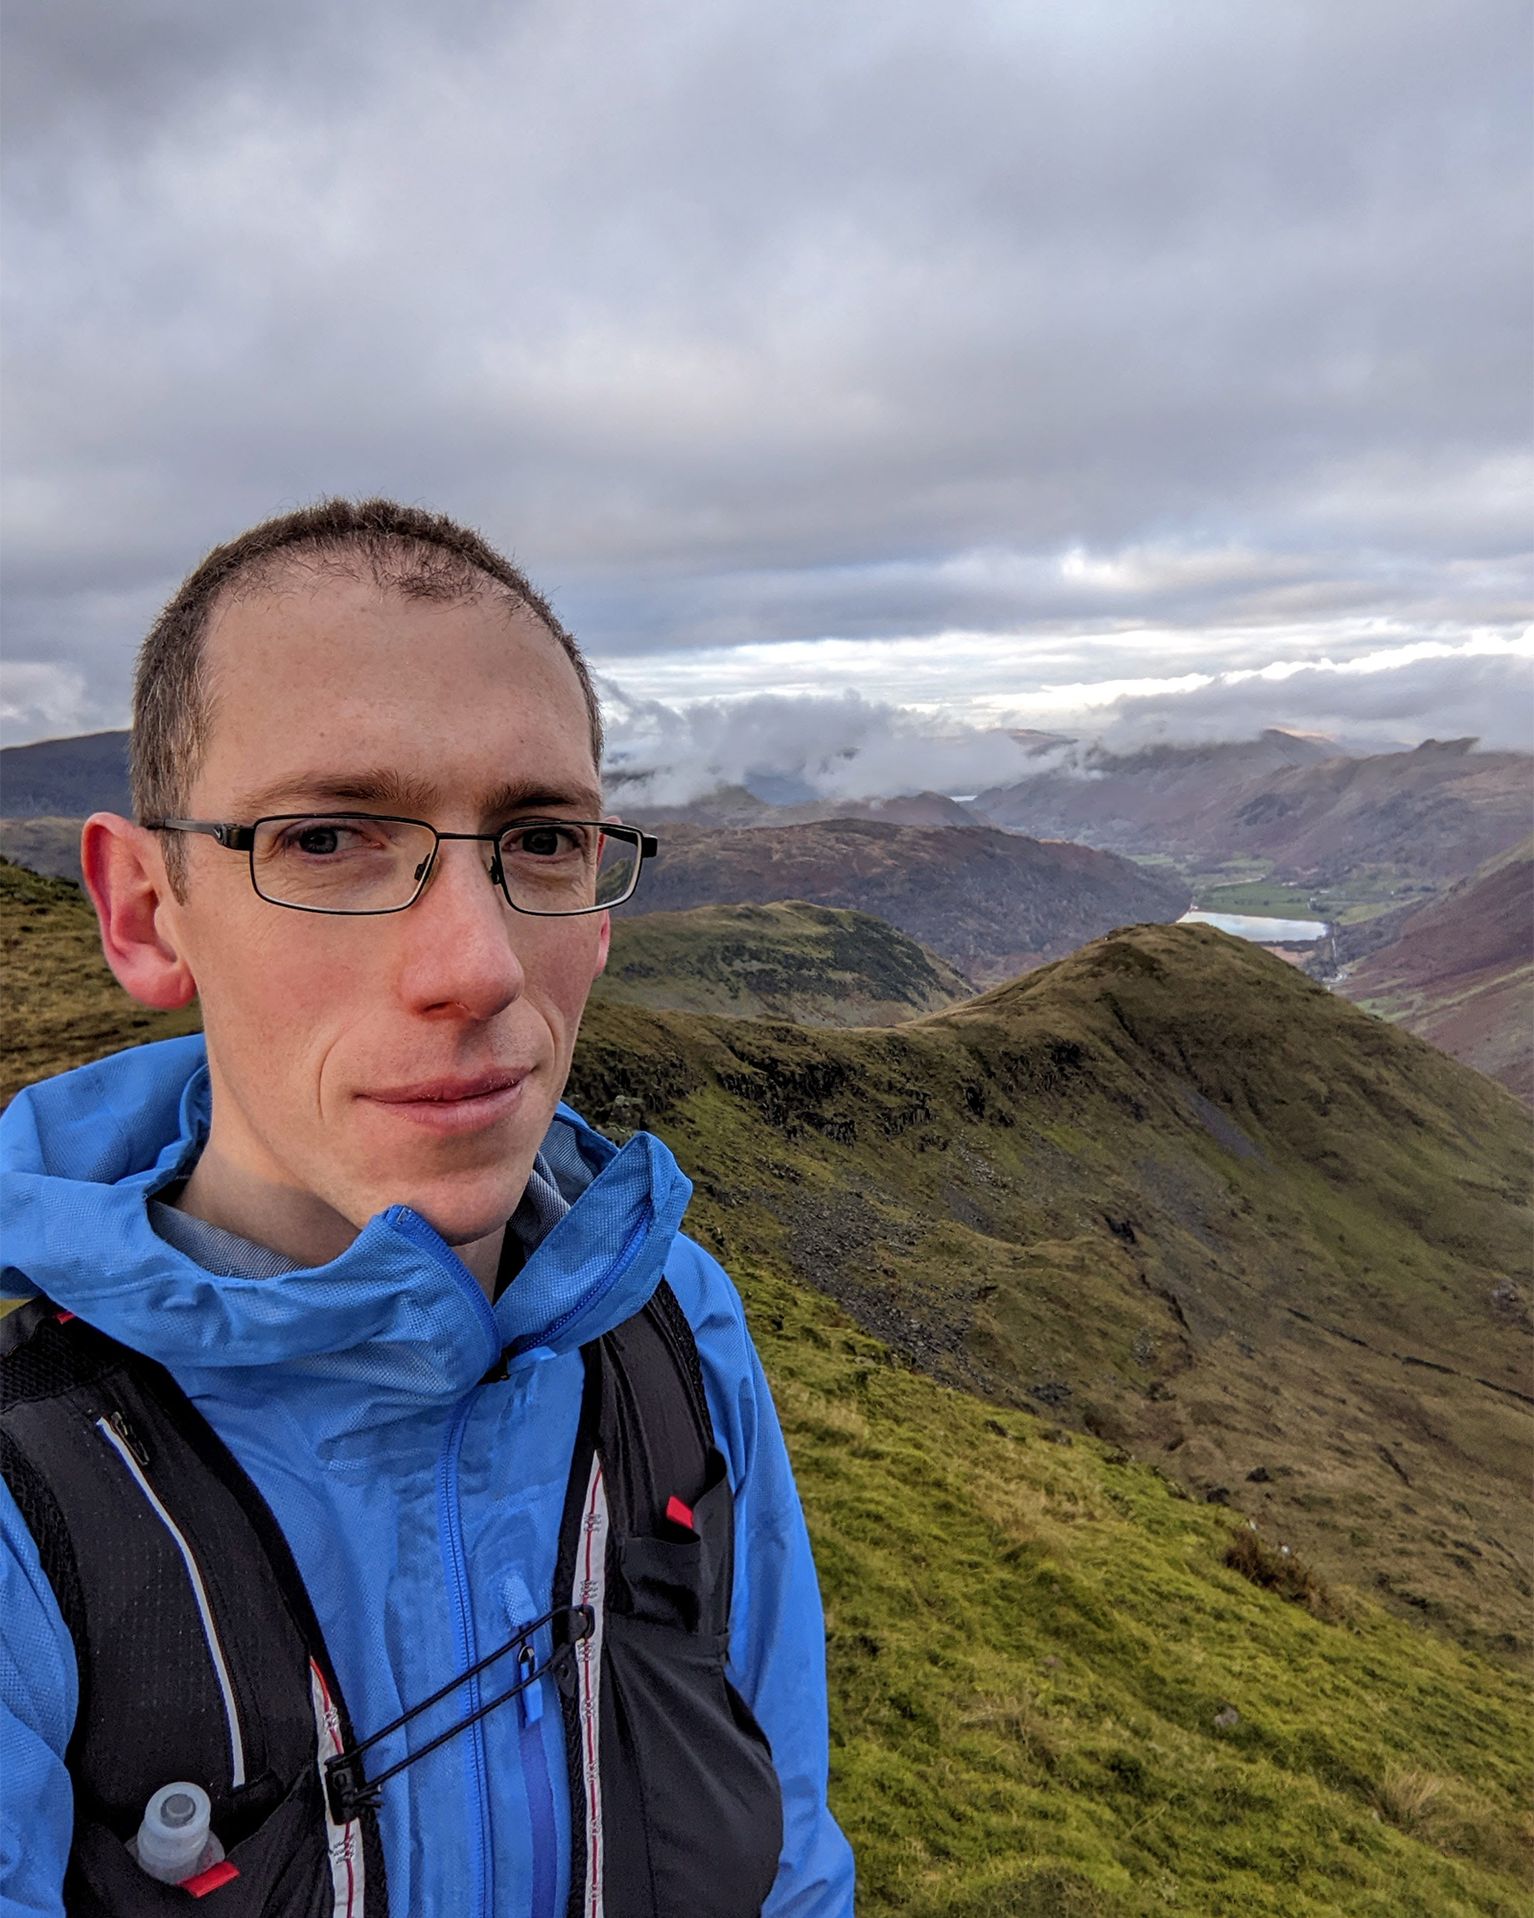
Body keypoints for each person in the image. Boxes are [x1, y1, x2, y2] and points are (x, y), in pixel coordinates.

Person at [0, 498, 856, 1916]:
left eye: (540, 838)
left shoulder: (674, 1333)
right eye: (329, 836)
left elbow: (792, 1862)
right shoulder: (31, 1497)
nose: (475, 966)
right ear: (149, 912)